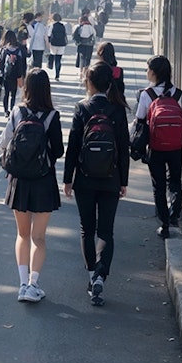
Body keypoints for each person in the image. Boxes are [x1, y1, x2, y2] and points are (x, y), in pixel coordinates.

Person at [63, 62, 130, 307]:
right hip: (111, 177)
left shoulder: (81, 108)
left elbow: (73, 147)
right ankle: (102, 274)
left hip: (85, 178)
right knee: (106, 231)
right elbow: (123, 148)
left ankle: (92, 275)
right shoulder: (118, 109)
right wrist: (123, 180)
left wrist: (67, 179)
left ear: (89, 83)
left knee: (86, 229)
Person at [0, 69, 64, 303]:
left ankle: (22, 284)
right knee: (39, 238)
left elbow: (3, 142)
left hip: (19, 182)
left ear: (26, 87)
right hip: (44, 180)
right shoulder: (52, 116)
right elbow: (58, 150)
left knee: (22, 235)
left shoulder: (17, 112)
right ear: (47, 89)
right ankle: (34, 284)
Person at [136, 55, 182, 239]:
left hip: (155, 147)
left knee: (158, 186)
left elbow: (141, 121)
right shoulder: (178, 94)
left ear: (154, 72)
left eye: (148, 68)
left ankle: (164, 225)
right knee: (174, 181)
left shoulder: (146, 94)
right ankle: (174, 214)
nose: (146, 72)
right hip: (175, 146)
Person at [0, 30, 27, 118]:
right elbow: (24, 60)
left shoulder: (4, 49)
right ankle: (12, 109)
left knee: (6, 93)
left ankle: (6, 111)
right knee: (13, 93)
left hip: (6, 75)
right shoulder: (20, 48)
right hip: (17, 74)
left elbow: (0, 63)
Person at [73, 11, 96, 81]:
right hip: (89, 45)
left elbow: (76, 35)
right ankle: (85, 72)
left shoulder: (80, 27)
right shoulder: (91, 27)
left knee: (82, 58)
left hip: (81, 44)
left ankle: (80, 72)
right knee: (88, 59)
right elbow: (94, 35)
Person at [46, 13, 67, 81]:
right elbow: (65, 35)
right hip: (61, 44)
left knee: (52, 54)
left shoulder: (52, 25)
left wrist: (48, 43)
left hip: (54, 43)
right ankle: (57, 75)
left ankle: (50, 63)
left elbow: (49, 35)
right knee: (58, 59)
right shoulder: (63, 25)